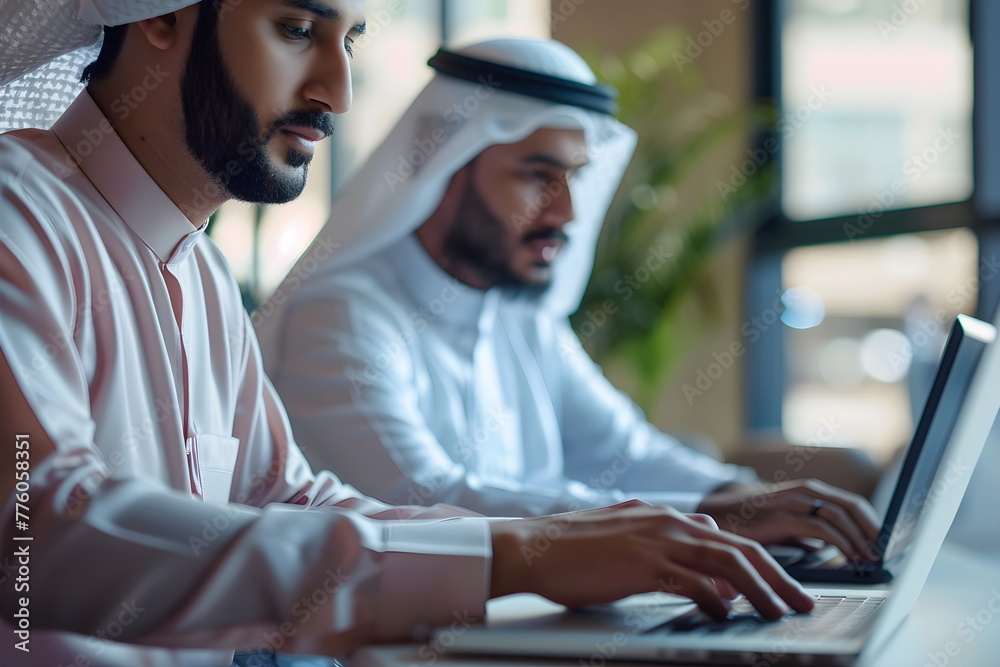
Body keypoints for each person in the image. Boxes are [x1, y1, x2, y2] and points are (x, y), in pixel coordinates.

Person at [0, 2, 816, 666]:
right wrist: (518, 555)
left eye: (350, 40)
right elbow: (42, 532)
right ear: (158, 14)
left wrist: (548, 539)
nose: (338, 91)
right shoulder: (17, 213)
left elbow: (284, 498)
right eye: (296, 29)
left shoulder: (201, 273)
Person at [255, 38, 881, 561]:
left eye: (575, 177)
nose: (567, 212)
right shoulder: (338, 314)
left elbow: (625, 452)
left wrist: (753, 499)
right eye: (537, 176)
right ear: (443, 165)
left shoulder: (520, 319)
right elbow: (422, 500)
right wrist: (710, 516)